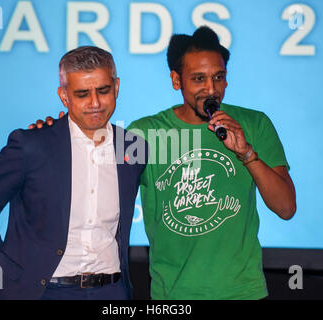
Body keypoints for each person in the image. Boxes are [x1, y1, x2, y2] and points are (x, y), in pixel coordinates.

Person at [35, 26, 296, 300]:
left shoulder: (254, 124)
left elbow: (286, 207)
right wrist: (53, 131)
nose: (211, 89)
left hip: (244, 293)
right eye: (198, 79)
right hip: (172, 296)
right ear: (176, 80)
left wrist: (246, 154)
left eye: (218, 77)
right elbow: (85, 175)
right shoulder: (144, 134)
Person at [0, 46, 147, 300]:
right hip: (43, 292)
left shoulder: (133, 149)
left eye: (103, 90)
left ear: (116, 87)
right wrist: (1, 279)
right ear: (64, 96)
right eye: (82, 94)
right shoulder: (32, 145)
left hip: (111, 291)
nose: (95, 103)